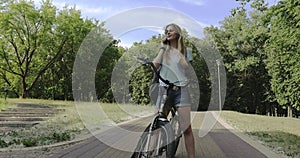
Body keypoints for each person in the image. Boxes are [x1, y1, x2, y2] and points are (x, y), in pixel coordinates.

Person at [153, 23, 195, 158]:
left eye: (170, 31)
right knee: (157, 125)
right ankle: (150, 153)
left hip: (181, 91)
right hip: (164, 89)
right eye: (166, 31)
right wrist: (163, 48)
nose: (167, 33)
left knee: (187, 128)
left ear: (178, 33)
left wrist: (179, 53)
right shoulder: (163, 50)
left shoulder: (186, 51)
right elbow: (155, 65)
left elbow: (187, 69)